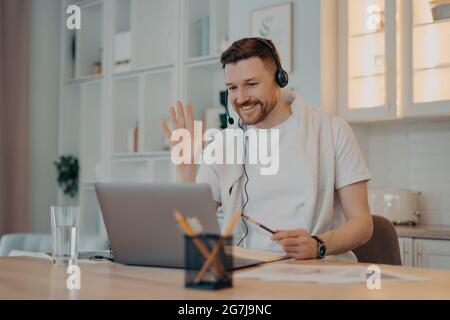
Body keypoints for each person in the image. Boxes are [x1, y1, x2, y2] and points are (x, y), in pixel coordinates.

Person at [161, 37, 373, 261]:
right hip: (248, 276)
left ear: (279, 80)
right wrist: (186, 170)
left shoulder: (331, 131)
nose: (241, 98)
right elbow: (193, 229)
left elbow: (362, 224)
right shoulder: (223, 146)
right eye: (232, 88)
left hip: (316, 274)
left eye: (251, 84)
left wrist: (317, 245)